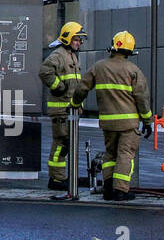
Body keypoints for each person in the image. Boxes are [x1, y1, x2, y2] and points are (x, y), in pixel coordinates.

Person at [73, 31, 154, 202]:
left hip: (108, 123)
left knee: (110, 154)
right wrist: (147, 121)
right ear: (130, 50)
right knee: (125, 154)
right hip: (129, 123)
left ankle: (108, 188)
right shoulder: (133, 70)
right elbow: (142, 98)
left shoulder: (98, 67)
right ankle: (120, 190)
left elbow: (81, 88)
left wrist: (74, 103)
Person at [38, 21, 85, 191]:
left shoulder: (71, 55)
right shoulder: (58, 55)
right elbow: (44, 72)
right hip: (60, 109)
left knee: (66, 143)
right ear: (67, 39)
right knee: (61, 143)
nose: (79, 43)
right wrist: (58, 86)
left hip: (69, 110)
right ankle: (56, 179)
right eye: (76, 39)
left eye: (80, 40)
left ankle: (62, 176)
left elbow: (75, 85)